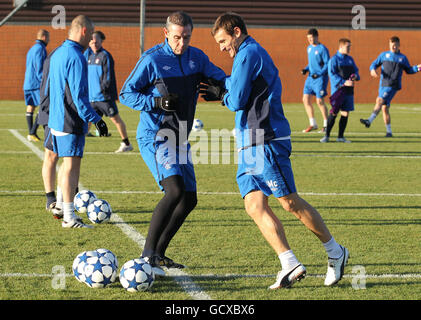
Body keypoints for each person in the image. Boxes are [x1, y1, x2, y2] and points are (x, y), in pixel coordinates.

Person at [205, 12, 348, 288]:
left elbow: (236, 99)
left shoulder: (249, 53)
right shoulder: (243, 56)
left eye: (223, 40)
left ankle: (335, 252)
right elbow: (236, 90)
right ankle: (289, 262)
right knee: (254, 205)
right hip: (248, 141)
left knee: (289, 202)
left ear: (236, 32)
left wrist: (221, 94)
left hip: (266, 139)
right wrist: (223, 86)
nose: (221, 47)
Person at [119, 11, 226, 275]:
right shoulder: (152, 59)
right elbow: (126, 93)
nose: (181, 43)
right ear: (166, 34)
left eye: (186, 37)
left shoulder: (197, 58)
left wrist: (222, 90)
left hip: (180, 137)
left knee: (189, 199)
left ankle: (159, 254)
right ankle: (146, 257)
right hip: (156, 135)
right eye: (176, 37)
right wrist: (154, 102)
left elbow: (221, 77)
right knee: (175, 191)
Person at [48, 15, 108, 228]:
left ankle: (62, 208)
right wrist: (97, 120)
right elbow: (79, 97)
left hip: (56, 119)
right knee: (71, 167)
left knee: (66, 166)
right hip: (69, 120)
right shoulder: (76, 56)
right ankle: (69, 218)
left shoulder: (58, 52)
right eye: (91, 33)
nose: (92, 38)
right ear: (84, 31)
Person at [360, 36, 421, 137]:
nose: (393, 46)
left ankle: (369, 120)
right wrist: (372, 70)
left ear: (399, 45)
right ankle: (389, 132)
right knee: (384, 108)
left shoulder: (402, 58)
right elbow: (374, 64)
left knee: (379, 100)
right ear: (389, 44)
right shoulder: (384, 55)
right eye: (392, 44)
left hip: (393, 85)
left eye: (395, 44)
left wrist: (419, 67)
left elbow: (409, 70)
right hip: (383, 84)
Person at [84, 31, 133, 153]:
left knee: (115, 119)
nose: (94, 44)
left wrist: (103, 90)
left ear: (101, 42)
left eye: (97, 42)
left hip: (104, 98)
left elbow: (108, 77)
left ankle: (126, 143)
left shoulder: (105, 56)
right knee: (88, 119)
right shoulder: (88, 56)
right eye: (92, 42)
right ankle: (79, 142)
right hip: (92, 97)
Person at [320, 38, 360, 143]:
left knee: (345, 113)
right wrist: (343, 82)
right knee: (334, 112)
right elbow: (332, 74)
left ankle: (340, 137)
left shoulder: (350, 59)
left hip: (349, 92)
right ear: (341, 47)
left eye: (350, 47)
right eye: (348, 47)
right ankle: (327, 136)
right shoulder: (334, 59)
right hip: (338, 91)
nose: (349, 49)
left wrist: (356, 76)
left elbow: (356, 71)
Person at [301, 28, 330, 133]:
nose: (310, 40)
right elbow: (312, 63)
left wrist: (319, 73)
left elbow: (327, 64)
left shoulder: (322, 49)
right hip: (310, 79)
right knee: (305, 99)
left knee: (320, 101)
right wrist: (306, 69)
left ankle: (326, 125)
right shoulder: (309, 48)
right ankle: (313, 123)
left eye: (311, 38)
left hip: (320, 79)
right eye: (308, 38)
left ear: (317, 37)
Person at [23, 29, 49, 142]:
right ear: (43, 37)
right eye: (48, 37)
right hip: (36, 83)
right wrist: (44, 82)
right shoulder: (40, 49)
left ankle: (31, 133)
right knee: (43, 106)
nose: (49, 40)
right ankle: (33, 132)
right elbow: (40, 67)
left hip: (28, 82)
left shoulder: (32, 48)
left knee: (31, 106)